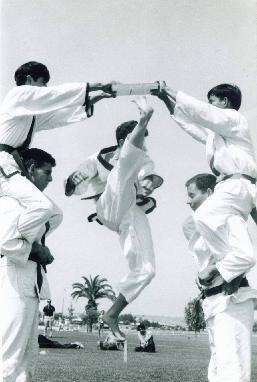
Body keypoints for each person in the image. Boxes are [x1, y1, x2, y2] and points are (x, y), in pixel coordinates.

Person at [0, 61, 116, 270]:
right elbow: (52, 97)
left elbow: (57, 117)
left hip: (12, 168)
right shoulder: (17, 96)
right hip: (3, 167)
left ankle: (21, 246)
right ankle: (14, 245)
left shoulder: (28, 114)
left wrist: (92, 100)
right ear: (28, 80)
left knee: (54, 215)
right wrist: (94, 86)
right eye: (42, 83)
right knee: (42, 207)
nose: (44, 89)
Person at [65, 97, 163, 341]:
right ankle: (145, 117)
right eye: (140, 139)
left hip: (129, 212)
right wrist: (71, 182)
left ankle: (112, 313)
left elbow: (151, 176)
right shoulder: (95, 158)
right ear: (122, 141)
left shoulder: (141, 158)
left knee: (147, 270)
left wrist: (150, 183)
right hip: (107, 206)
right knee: (122, 171)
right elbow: (72, 188)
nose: (145, 148)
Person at [153, 83, 257, 286]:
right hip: (232, 187)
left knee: (203, 215)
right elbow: (191, 125)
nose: (209, 105)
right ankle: (233, 268)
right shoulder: (218, 135)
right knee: (221, 225)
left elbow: (203, 113)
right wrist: (165, 99)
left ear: (225, 102)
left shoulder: (235, 120)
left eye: (212, 101)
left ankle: (229, 267)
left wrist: (171, 90)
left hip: (238, 184)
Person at [183, 173, 257, 382]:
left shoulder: (230, 218)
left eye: (192, 194)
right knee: (217, 371)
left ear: (209, 193)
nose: (188, 200)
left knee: (232, 371)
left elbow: (246, 255)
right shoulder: (205, 225)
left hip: (232, 300)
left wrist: (215, 269)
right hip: (214, 301)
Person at [0, 148, 63, 382]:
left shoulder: (32, 207)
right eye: (46, 172)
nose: (51, 178)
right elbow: (5, 242)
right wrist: (35, 250)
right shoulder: (11, 203)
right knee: (9, 357)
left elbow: (56, 215)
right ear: (30, 168)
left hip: (28, 283)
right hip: (13, 281)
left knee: (28, 358)